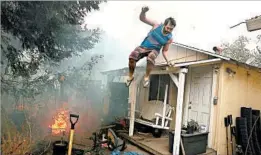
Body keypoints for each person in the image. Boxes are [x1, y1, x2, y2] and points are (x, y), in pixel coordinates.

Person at [126, 6, 176, 88]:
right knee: (132, 56)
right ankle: (130, 76)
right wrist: (143, 12)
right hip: (143, 47)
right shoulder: (156, 25)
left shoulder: (169, 38)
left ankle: (146, 77)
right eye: (168, 28)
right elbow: (142, 18)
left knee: (151, 57)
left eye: (171, 29)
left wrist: (168, 61)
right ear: (164, 24)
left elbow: (165, 51)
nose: (168, 31)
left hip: (154, 50)